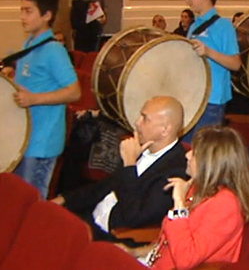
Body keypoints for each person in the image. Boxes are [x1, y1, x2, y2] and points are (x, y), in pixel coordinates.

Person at [120, 126, 249, 270]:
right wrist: (134, 252)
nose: (187, 155)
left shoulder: (226, 205)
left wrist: (179, 203)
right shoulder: (197, 188)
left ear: (211, 164)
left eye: (195, 153)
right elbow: (167, 243)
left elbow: (185, 260)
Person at [52, 97, 189, 240]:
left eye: (145, 119)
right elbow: (105, 186)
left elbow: (134, 216)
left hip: (113, 236)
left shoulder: (176, 171)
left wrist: (129, 165)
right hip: (92, 217)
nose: (137, 123)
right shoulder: (143, 147)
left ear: (165, 129)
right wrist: (65, 199)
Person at [12, 0, 82, 198]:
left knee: (31, 202)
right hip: (25, 138)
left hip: (42, 142)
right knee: (18, 199)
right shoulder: (29, 44)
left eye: (28, 11)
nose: (23, 16)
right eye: (21, 10)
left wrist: (34, 99)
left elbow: (74, 92)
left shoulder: (54, 50)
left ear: (46, 15)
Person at [181, 0, 241, 142]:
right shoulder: (193, 27)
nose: (188, 0)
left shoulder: (224, 26)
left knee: (203, 153)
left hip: (213, 100)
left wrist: (208, 52)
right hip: (193, 97)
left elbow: (236, 64)